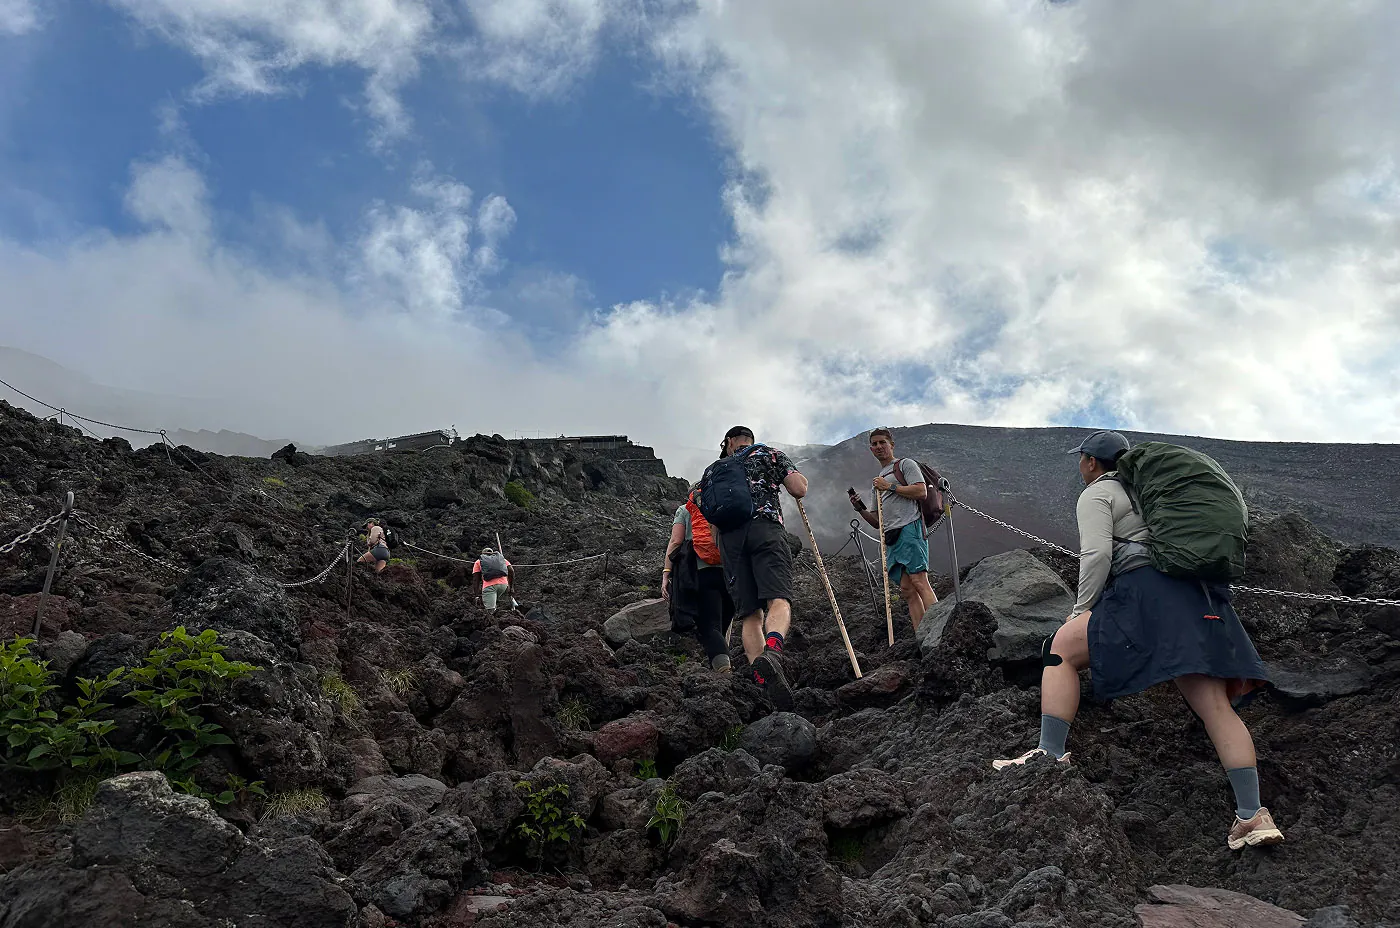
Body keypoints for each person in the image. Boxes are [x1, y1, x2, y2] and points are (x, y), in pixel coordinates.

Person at [992, 429, 1282, 851]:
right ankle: (1252, 816)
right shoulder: (1152, 493)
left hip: (1145, 595)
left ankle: (1049, 754)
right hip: (1194, 596)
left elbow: (1096, 556)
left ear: (1090, 462)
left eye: (1082, 459)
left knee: (1061, 649)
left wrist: (1079, 613)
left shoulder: (1097, 494)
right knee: (1214, 706)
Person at [700, 425, 807, 709]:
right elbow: (798, 489)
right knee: (779, 598)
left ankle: (763, 686)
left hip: (730, 542)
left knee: (749, 614)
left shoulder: (714, 469)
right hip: (765, 529)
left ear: (729, 442)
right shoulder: (768, 454)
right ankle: (772, 652)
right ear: (750, 440)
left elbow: (711, 523)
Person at [848, 428, 938, 630]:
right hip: (890, 536)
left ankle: (939, 630)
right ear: (871, 449)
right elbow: (877, 521)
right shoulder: (877, 481)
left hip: (910, 527)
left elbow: (921, 491)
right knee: (906, 589)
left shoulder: (905, 464)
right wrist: (859, 507)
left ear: (891, 445)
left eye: (882, 442)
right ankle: (922, 636)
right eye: (874, 444)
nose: (879, 447)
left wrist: (889, 487)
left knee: (919, 580)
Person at [663, 485, 735, 673]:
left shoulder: (685, 509)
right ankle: (721, 665)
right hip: (731, 574)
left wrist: (666, 573)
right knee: (721, 624)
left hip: (702, 574)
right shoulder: (726, 507)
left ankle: (724, 671)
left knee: (709, 627)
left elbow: (676, 542)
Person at [472, 546, 516, 612]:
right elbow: (511, 571)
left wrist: (476, 595)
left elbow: (476, 579)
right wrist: (511, 587)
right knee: (503, 606)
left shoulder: (479, 561)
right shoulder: (501, 559)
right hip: (504, 586)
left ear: (483, 554)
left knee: (490, 612)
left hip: (490, 587)